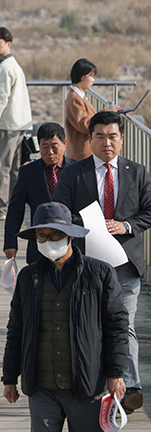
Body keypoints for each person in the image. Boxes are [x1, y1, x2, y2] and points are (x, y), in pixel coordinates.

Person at [2, 202, 128, 432]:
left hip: (86, 387)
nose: (48, 242)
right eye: (41, 237)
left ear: (70, 237)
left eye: (54, 235)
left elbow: (117, 326)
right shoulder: (29, 278)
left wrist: (115, 372)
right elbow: (16, 328)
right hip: (42, 387)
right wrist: (10, 377)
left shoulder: (100, 274)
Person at [53, 110, 150, 415]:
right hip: (86, 264)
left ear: (121, 138)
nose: (107, 143)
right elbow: (59, 213)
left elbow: (149, 211)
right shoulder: (73, 173)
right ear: (89, 139)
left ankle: (130, 387)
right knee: (88, 324)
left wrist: (127, 225)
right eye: (100, 136)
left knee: (126, 325)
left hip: (126, 263)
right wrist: (85, 225)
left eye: (112, 136)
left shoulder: (137, 172)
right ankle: (90, 382)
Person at [0, 27, 31, 220]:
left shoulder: (5, 68)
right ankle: (10, 206)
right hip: (17, 124)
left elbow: (0, 99)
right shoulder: (10, 65)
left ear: (8, 44)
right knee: (12, 168)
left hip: (5, 125)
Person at [4, 123, 73, 265]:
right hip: (40, 241)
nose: (50, 152)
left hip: (70, 241)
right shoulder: (28, 172)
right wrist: (10, 242)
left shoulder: (77, 170)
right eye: (45, 147)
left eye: (54, 146)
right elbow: (16, 208)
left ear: (64, 144)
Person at [64, 59, 114, 162]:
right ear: (82, 76)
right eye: (91, 76)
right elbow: (84, 124)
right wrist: (106, 114)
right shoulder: (74, 98)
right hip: (81, 153)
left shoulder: (79, 96)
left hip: (85, 152)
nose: (93, 80)